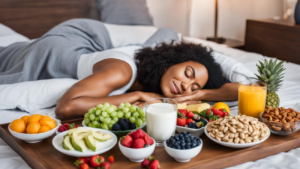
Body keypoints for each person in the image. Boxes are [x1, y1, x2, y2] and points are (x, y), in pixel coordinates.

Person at [0, 19, 246, 120]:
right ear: (172, 60)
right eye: (188, 74)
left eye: (193, 86)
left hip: (98, 48)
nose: (185, 85)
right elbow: (66, 108)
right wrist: (137, 97)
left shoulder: (154, 66)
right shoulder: (123, 71)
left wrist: (200, 94)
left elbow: (245, 89)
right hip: (54, 50)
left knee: (168, 33)